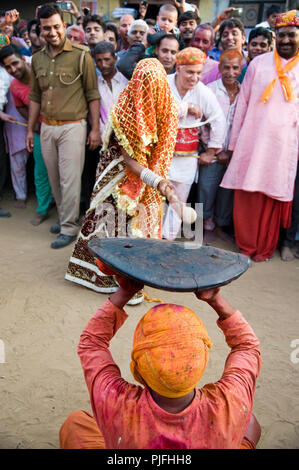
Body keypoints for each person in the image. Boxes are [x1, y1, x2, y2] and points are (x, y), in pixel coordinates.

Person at [59, 276, 262, 449]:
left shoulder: (115, 401)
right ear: (202, 360)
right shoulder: (229, 400)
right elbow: (247, 346)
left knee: (76, 423)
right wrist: (215, 298)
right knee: (249, 422)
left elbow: (92, 343)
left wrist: (125, 291)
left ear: (138, 369)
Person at [65, 59, 179, 300]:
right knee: (108, 221)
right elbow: (130, 161)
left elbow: (160, 150)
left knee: (137, 224)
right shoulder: (125, 111)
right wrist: (157, 182)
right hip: (117, 174)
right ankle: (101, 276)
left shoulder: (167, 108)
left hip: (147, 173)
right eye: (145, 85)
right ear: (137, 84)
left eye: (155, 85)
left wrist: (160, 181)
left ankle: (132, 277)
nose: (150, 91)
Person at [221, 10, 299, 262]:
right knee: (248, 192)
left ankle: (265, 247)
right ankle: (246, 245)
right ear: (276, 36)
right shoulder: (258, 64)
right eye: (283, 35)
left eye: (292, 35)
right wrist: (233, 143)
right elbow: (242, 104)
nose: (286, 40)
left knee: (272, 196)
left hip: (285, 146)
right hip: (252, 143)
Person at [26, 2, 101, 249]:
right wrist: (30, 129)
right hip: (46, 127)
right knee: (55, 177)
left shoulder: (81, 56)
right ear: (41, 30)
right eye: (46, 28)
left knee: (70, 179)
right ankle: (65, 217)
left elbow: (92, 94)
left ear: (64, 26)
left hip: (73, 126)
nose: (52, 32)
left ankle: (69, 227)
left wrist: (94, 129)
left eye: (56, 26)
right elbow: (35, 96)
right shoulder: (37, 59)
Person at [162, 47, 226, 241]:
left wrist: (211, 150)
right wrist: (185, 108)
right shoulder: (163, 84)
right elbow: (155, 110)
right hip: (160, 156)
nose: (194, 77)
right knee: (154, 199)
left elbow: (218, 120)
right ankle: (149, 240)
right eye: (190, 72)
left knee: (178, 202)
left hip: (187, 158)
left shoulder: (202, 92)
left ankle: (166, 242)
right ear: (178, 68)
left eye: (198, 73)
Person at [0, 44, 52, 226]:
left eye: (15, 63)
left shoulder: (44, 71)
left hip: (62, 126)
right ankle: (43, 210)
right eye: (8, 67)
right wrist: (34, 125)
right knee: (41, 172)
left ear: (23, 59)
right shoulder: (14, 86)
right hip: (39, 131)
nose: (13, 70)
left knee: (63, 172)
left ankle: (67, 213)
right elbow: (21, 107)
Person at [202, 49, 243, 243]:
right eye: (226, 67)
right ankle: (205, 226)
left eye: (235, 68)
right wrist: (215, 150)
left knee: (226, 193)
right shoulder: (209, 90)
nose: (230, 72)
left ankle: (219, 226)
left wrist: (232, 151)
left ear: (241, 68)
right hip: (212, 153)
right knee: (206, 189)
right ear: (219, 68)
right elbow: (202, 124)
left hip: (233, 153)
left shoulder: (244, 91)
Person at [94, 41, 128, 140]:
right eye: (99, 60)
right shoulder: (95, 84)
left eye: (107, 59)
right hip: (103, 140)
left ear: (115, 58)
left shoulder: (126, 82)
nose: (103, 64)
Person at [202, 18, 247, 84]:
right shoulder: (214, 63)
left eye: (234, 34)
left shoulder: (251, 61)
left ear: (243, 39)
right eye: (225, 35)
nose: (229, 37)